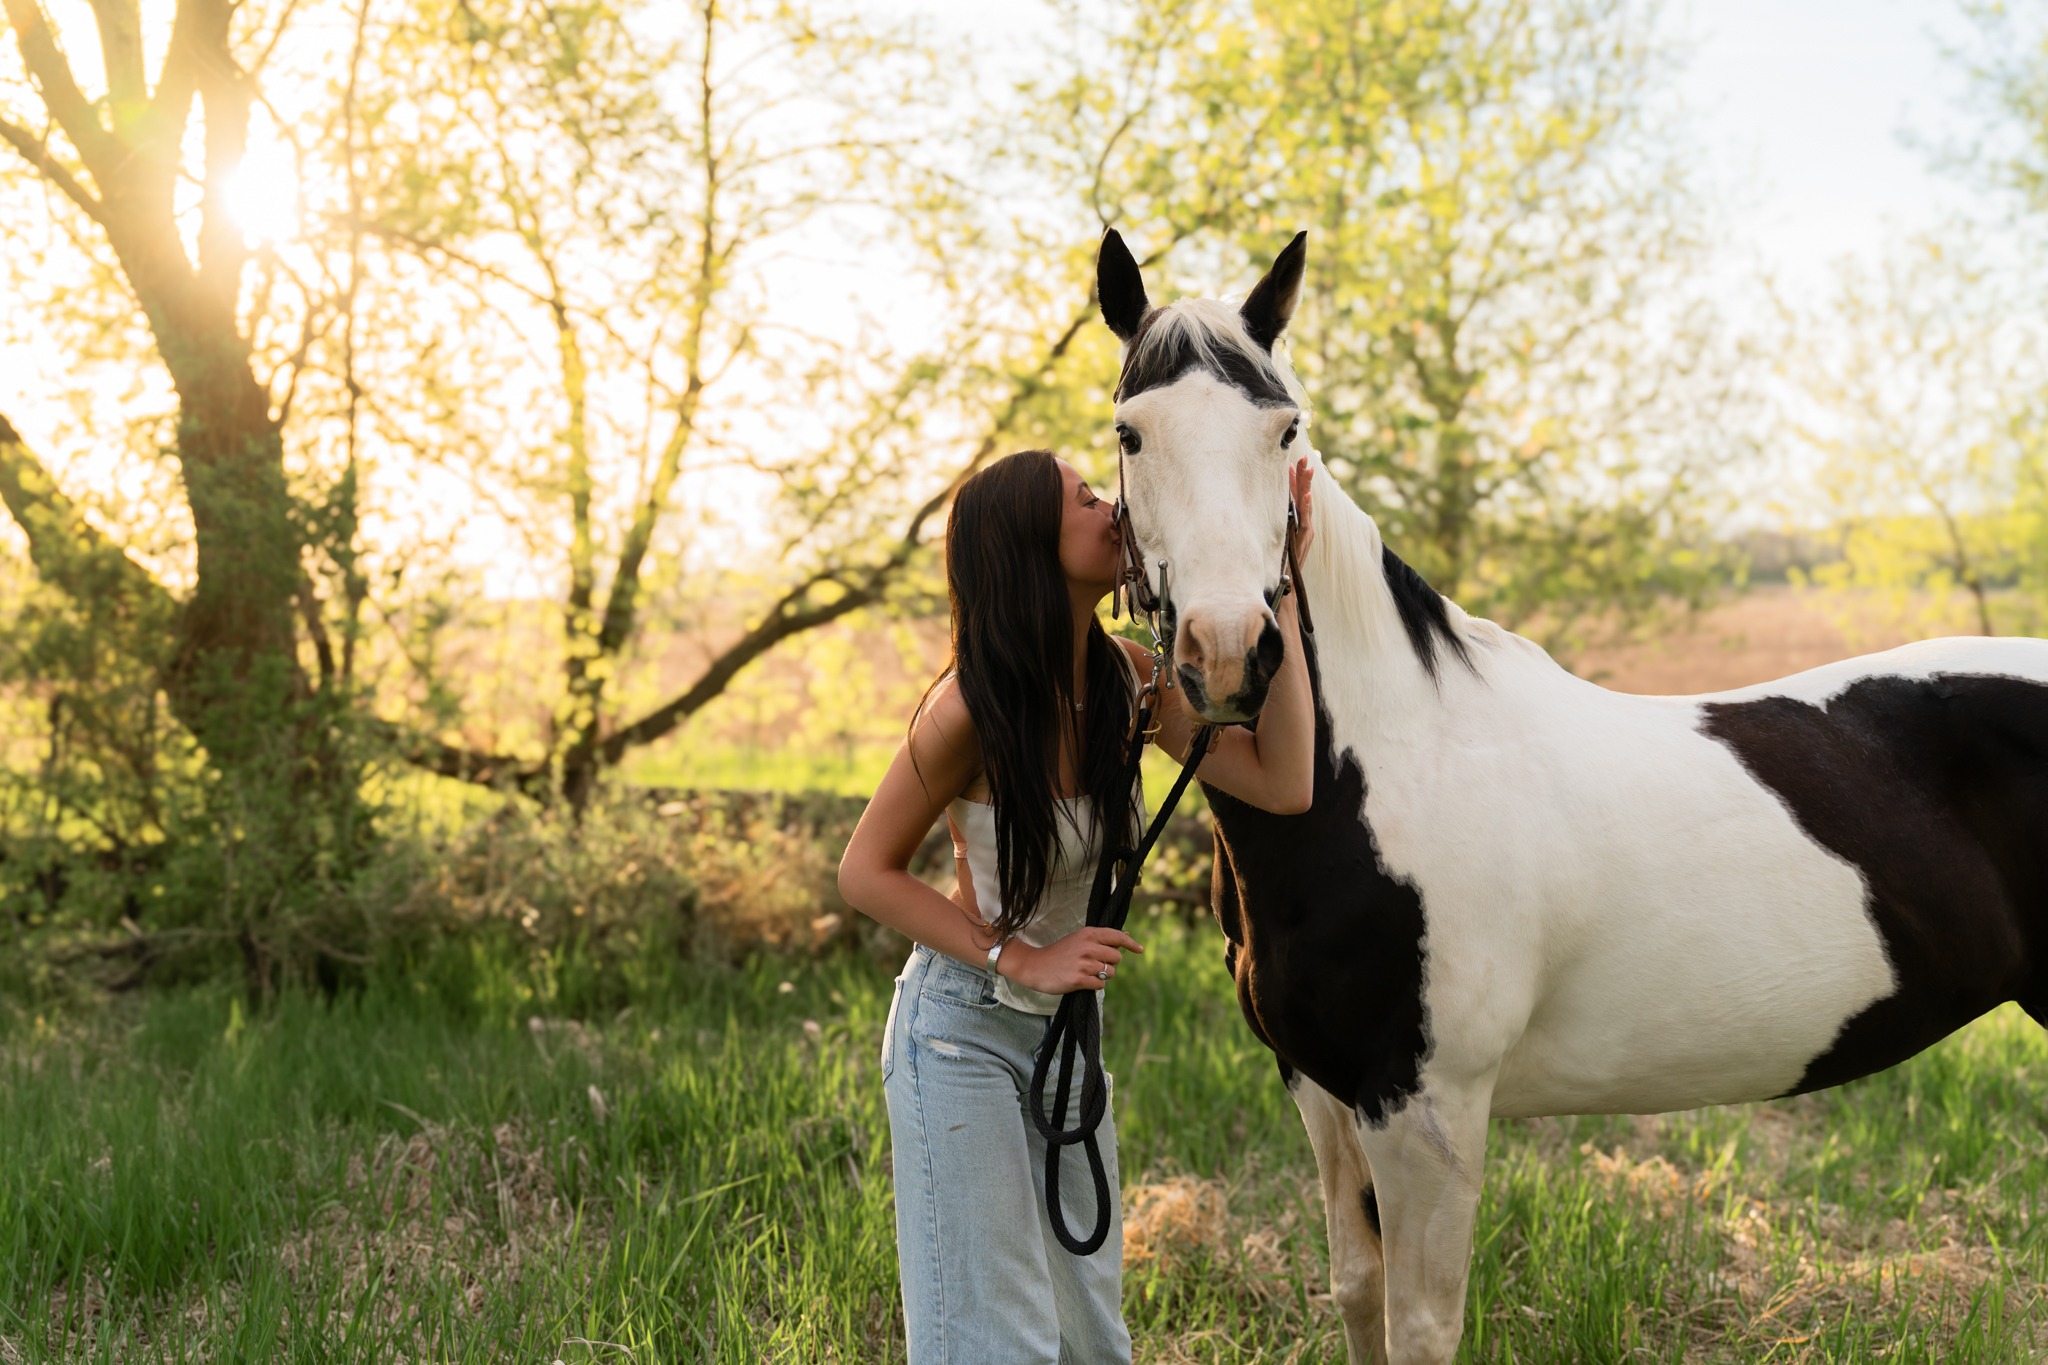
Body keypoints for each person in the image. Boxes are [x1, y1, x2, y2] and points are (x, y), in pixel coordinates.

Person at [836, 447, 1316, 1364]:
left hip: (1066, 1042)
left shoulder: (1131, 680)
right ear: (1029, 545)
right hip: (959, 1034)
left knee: (1093, 1337)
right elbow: (867, 871)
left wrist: (1278, 589)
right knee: (999, 1337)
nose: (1113, 508)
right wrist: (1017, 957)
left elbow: (1282, 780)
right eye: (1086, 497)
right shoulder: (971, 708)